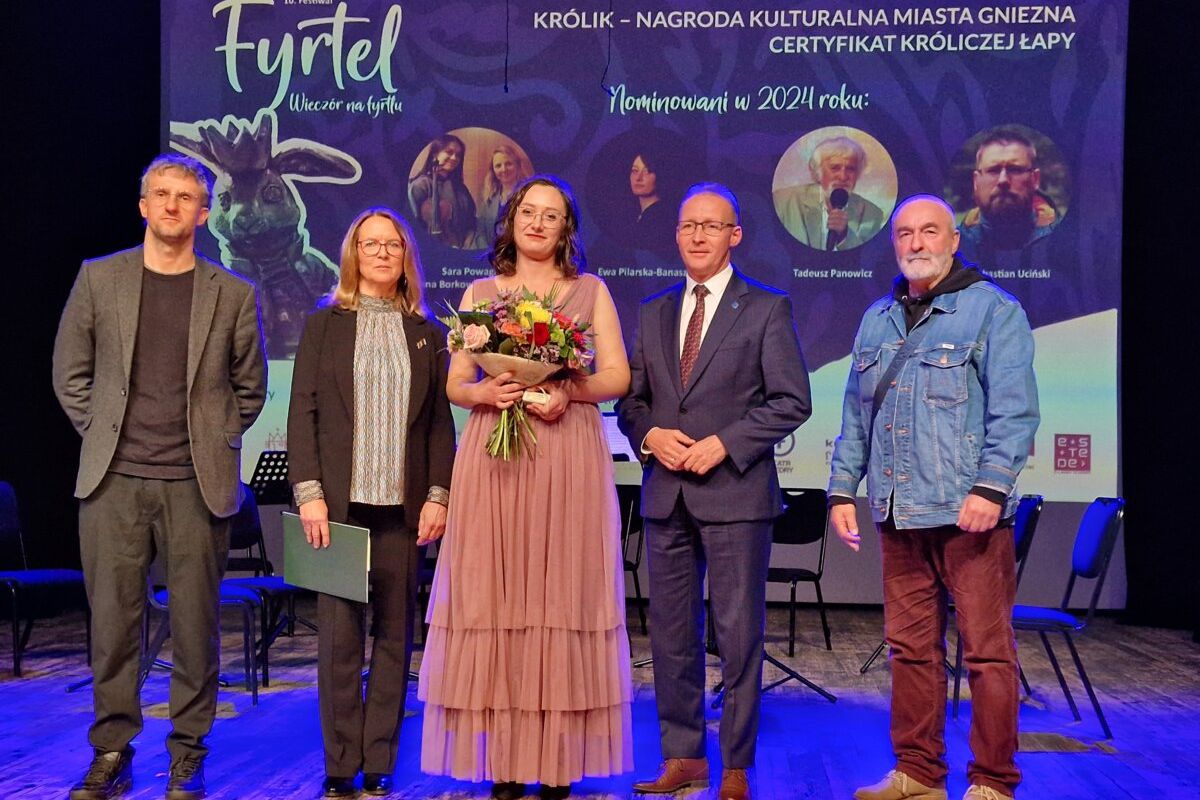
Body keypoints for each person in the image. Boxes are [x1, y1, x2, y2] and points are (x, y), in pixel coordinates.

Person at [52, 153, 267, 800]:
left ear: (203, 213)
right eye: (161, 194)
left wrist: (211, 438)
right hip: (113, 482)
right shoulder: (99, 278)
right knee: (113, 626)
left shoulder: (233, 293)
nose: (172, 205)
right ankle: (111, 750)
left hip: (195, 485)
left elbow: (249, 390)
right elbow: (70, 374)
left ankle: (187, 754)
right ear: (143, 205)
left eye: (186, 197)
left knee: (196, 628)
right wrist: (106, 433)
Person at [419, 175, 633, 800]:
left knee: (560, 596)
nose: (537, 223)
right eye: (528, 213)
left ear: (567, 229)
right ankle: (506, 764)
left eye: (551, 215)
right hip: (495, 452)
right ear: (511, 222)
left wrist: (567, 390)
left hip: (567, 452)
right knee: (495, 597)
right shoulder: (482, 293)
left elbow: (617, 376)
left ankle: (557, 763)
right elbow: (457, 383)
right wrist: (485, 391)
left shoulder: (591, 291)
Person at [829, 195, 1039, 800]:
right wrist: (842, 489)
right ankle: (918, 773)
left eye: (928, 232)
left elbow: (1015, 413)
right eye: (904, 233)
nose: (916, 243)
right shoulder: (877, 319)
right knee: (910, 651)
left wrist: (990, 488)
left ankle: (993, 782)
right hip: (899, 512)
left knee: (987, 655)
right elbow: (856, 415)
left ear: (953, 241)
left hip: (969, 513)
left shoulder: (994, 311)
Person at [618, 183, 812, 800]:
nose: (697, 235)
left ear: (735, 235)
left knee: (737, 636)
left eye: (711, 225)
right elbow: (632, 402)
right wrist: (650, 436)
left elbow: (792, 401)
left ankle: (734, 766)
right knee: (671, 636)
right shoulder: (653, 310)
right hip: (665, 495)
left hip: (736, 494)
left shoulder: (767, 308)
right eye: (687, 225)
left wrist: (724, 444)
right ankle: (683, 757)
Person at [287, 207, 456, 798]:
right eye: (370, 244)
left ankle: (379, 758)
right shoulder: (323, 325)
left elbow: (438, 425)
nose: (382, 253)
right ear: (353, 254)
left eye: (392, 245)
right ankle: (340, 764)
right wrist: (309, 494)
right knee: (338, 641)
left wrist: (438, 495)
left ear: (407, 257)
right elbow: (302, 412)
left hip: (404, 514)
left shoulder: (429, 334)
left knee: (394, 637)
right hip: (337, 512)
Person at [773, 135, 885, 251]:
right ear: (817, 172)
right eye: (835, 168)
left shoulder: (871, 214)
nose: (843, 176)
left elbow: (864, 255)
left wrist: (844, 235)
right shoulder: (784, 201)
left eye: (850, 169)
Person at [959, 130, 1058, 253]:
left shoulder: (1063, 240)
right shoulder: (953, 246)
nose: (1003, 180)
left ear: (1035, 179)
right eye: (993, 170)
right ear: (976, 181)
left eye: (1015, 170)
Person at [407, 133, 478, 248]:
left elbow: (471, 221)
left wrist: (468, 243)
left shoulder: (461, 188)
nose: (454, 158)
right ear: (435, 154)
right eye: (449, 152)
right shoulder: (420, 185)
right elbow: (411, 226)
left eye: (458, 155)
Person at [475, 144, 532, 247]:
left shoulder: (529, 194)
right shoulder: (488, 196)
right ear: (493, 170)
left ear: (517, 166)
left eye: (508, 164)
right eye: (498, 166)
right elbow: (480, 232)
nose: (504, 169)